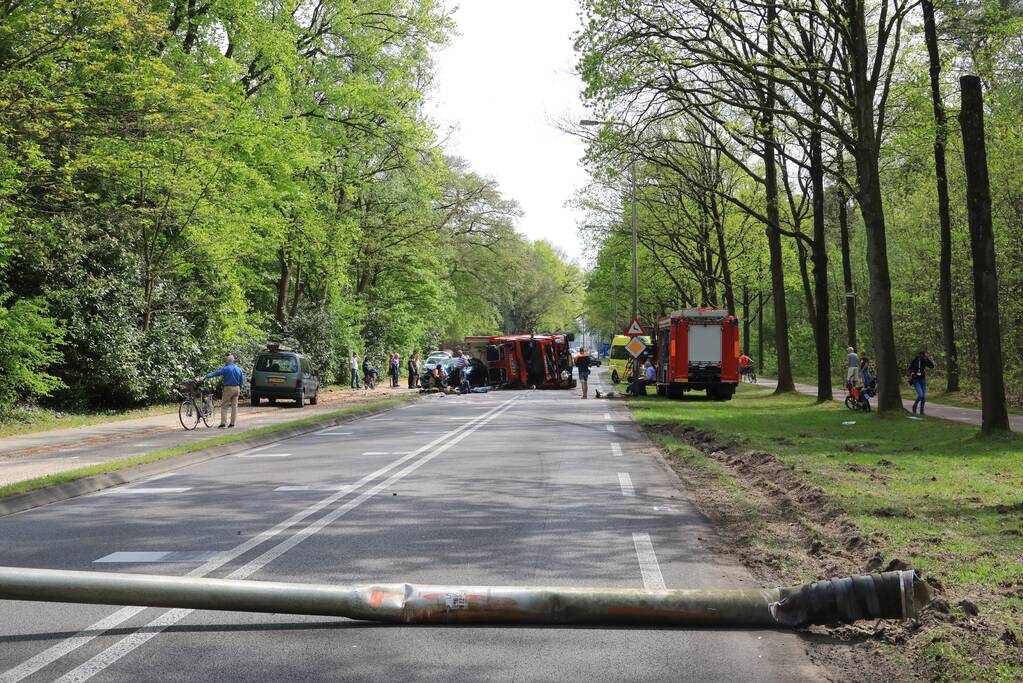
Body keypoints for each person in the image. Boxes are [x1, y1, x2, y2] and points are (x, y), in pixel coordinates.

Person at [204, 353, 244, 428]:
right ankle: (232, 423)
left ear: (228, 361)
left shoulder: (226, 368)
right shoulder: (239, 369)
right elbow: (242, 380)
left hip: (228, 388)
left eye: (226, 360)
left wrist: (207, 376)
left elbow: (216, 373)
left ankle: (223, 423)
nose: (225, 361)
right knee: (234, 406)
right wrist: (239, 387)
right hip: (237, 388)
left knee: (224, 405)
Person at [908, 350, 935, 415]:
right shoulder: (914, 360)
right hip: (915, 379)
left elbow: (932, 366)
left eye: (924, 355)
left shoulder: (924, 360)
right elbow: (909, 369)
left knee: (923, 396)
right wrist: (911, 373)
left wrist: (927, 359)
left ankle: (921, 411)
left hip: (922, 379)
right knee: (920, 395)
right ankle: (915, 406)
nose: (921, 356)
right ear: (919, 354)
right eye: (923, 355)